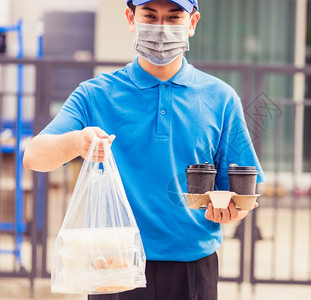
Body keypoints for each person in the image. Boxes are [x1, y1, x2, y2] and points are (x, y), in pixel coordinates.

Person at [23, 0, 264, 299]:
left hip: (193, 268)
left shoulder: (221, 99)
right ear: (130, 18)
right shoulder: (94, 95)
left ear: (192, 23)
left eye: (174, 17)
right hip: (114, 264)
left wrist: (231, 212)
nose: (161, 28)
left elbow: (240, 193)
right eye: (150, 16)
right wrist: (75, 142)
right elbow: (34, 156)